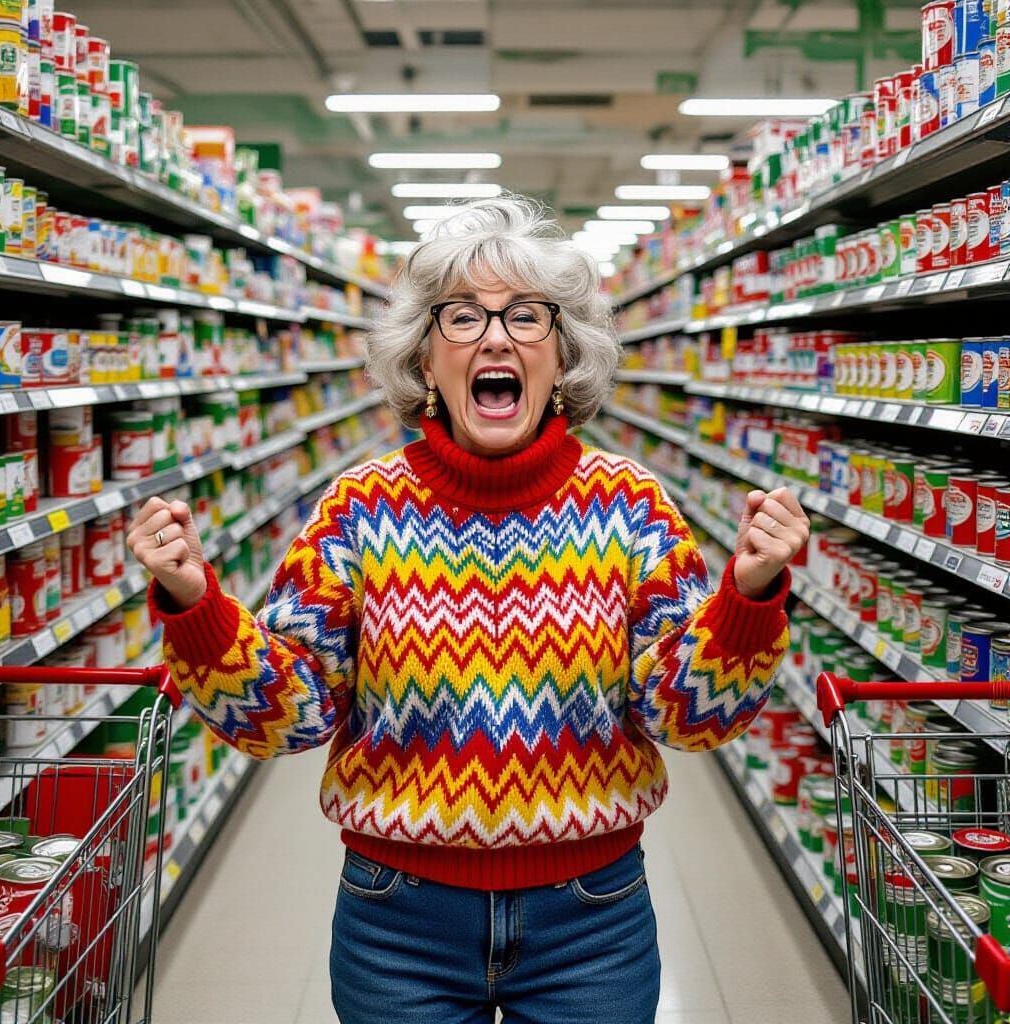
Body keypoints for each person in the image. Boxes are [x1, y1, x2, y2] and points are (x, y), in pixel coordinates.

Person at [128, 195, 810, 1024]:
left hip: (592, 922)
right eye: (462, 317)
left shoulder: (632, 509)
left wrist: (748, 598)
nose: (495, 337)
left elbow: (686, 717)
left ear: (564, 356)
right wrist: (194, 605)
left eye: (527, 316)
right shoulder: (358, 511)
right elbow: (290, 717)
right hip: (396, 923)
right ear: (424, 359)